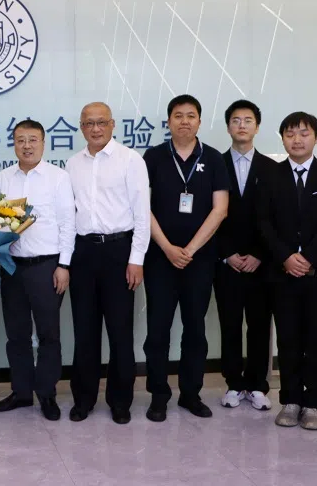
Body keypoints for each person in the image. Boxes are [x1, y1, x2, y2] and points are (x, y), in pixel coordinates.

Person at [258, 111, 317, 431]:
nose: (297, 139)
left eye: (304, 133)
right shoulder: (270, 175)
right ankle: (291, 399)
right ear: (282, 139)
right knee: (289, 338)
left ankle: (313, 403)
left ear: (316, 138)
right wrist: (285, 256)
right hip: (282, 272)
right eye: (290, 134)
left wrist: (308, 256)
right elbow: (263, 221)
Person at [142, 94, 230, 422]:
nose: (184, 121)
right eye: (178, 115)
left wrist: (190, 250)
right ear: (168, 122)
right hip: (159, 258)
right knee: (157, 330)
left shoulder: (214, 158)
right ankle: (158, 395)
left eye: (191, 115)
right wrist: (167, 247)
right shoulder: (153, 157)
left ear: (199, 122)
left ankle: (191, 394)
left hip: (200, 260)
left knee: (195, 329)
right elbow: (142, 207)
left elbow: (220, 209)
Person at [66, 102, 150, 424]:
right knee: (84, 331)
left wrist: (136, 259)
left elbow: (142, 214)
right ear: (81, 127)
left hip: (119, 252)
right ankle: (83, 399)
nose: (96, 128)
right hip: (83, 253)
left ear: (113, 124)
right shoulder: (73, 164)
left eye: (101, 122)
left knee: (120, 331)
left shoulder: (130, 160)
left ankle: (120, 401)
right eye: (89, 123)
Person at [0, 120, 75, 422]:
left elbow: (68, 224)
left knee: (48, 334)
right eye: (20, 140)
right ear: (14, 143)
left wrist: (64, 265)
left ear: (43, 142)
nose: (26, 146)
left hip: (47, 266)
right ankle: (21, 392)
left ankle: (47, 393)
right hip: (12, 266)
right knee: (16, 334)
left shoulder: (58, 177)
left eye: (32, 140)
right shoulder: (4, 177)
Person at [214, 100, 277, 412]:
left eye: (248, 120)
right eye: (236, 120)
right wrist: (227, 254)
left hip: (260, 264)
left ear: (257, 126)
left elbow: (278, 218)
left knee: (259, 325)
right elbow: (209, 215)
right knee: (229, 325)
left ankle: (257, 385)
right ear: (228, 126)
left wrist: (260, 254)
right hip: (227, 263)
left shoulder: (273, 169)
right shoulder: (215, 164)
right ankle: (233, 384)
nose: (241, 125)